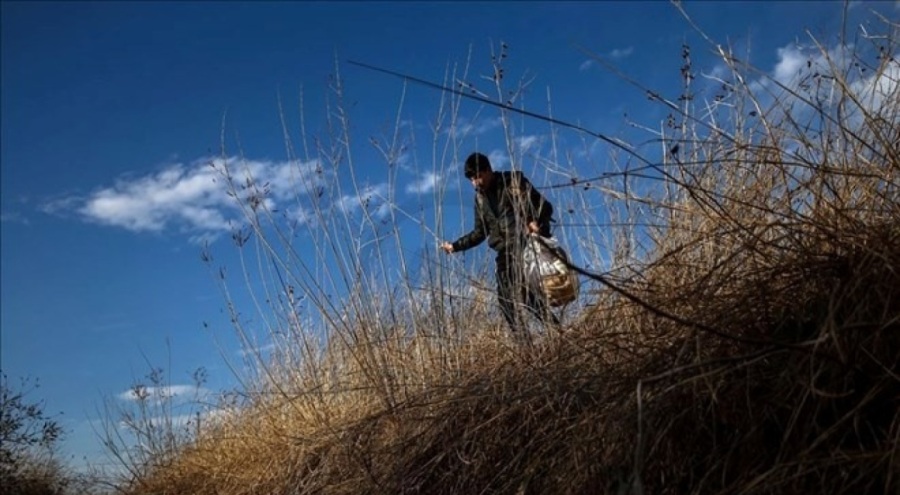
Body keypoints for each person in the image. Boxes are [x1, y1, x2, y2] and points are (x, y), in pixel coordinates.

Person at [441, 152, 559, 336]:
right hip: (504, 252)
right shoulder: (479, 199)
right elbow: (480, 233)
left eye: (478, 176)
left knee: (525, 295)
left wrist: (535, 222)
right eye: (472, 179)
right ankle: (530, 345)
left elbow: (545, 206)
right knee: (508, 301)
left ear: (488, 170)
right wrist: (455, 246)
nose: (475, 182)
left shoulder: (513, 181)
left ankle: (555, 332)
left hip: (526, 244)